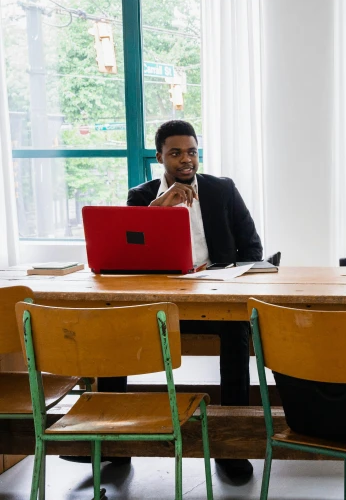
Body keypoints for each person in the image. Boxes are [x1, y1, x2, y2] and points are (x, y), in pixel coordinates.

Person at [95, 120, 261, 481]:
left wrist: (224, 272)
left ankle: (230, 445)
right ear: (160, 157)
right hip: (162, 300)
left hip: (215, 293)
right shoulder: (141, 197)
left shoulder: (222, 190)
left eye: (191, 152)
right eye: (175, 153)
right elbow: (127, 262)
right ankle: (114, 443)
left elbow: (252, 248)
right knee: (114, 330)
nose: (185, 160)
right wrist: (158, 209)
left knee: (236, 334)